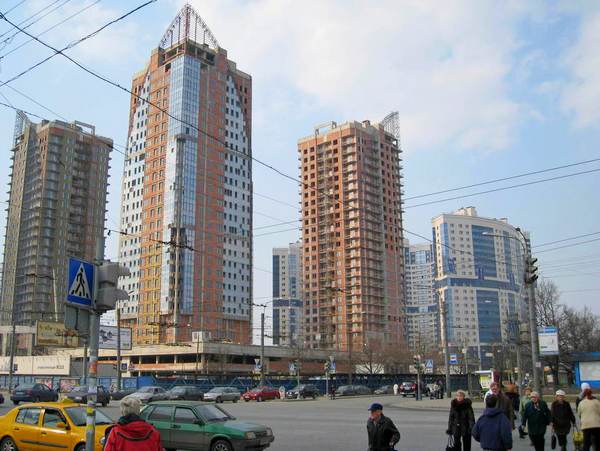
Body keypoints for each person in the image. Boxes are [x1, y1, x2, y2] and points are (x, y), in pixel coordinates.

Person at [577, 386, 600, 451]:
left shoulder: (581, 403)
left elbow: (579, 414)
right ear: (591, 394)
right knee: (598, 442)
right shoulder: (597, 402)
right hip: (597, 425)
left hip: (586, 425)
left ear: (584, 395)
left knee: (586, 443)